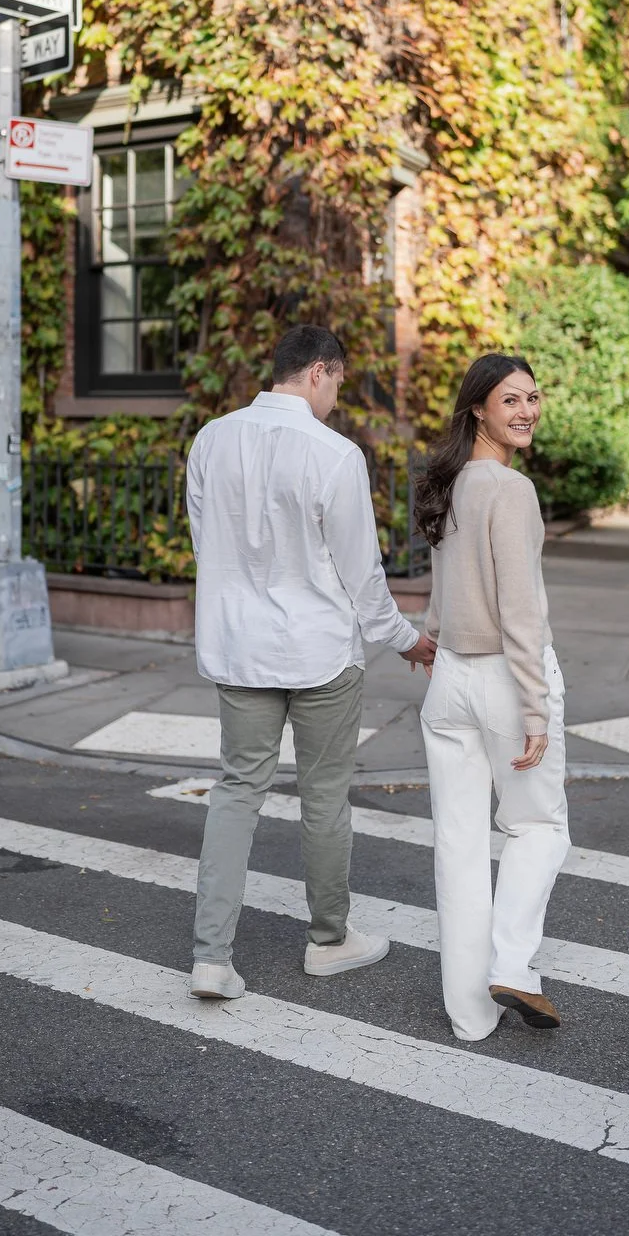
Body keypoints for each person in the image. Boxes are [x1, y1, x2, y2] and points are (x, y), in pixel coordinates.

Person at [185, 324, 438, 1000]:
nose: (337, 400)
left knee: (238, 790)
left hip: (239, 647)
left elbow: (205, 543)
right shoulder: (335, 454)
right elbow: (362, 574)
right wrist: (405, 638)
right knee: (324, 796)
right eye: (339, 384)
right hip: (320, 650)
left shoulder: (211, 440)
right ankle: (329, 941)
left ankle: (211, 957)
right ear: (320, 371)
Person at [415, 353, 570, 1041]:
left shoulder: (446, 482)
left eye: (533, 397)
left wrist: (428, 635)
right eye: (510, 400)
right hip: (506, 681)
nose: (526, 410)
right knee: (537, 828)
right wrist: (535, 708)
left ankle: (469, 1016)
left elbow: (441, 580)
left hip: (449, 677)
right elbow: (521, 615)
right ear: (478, 407)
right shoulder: (510, 492)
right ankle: (512, 966)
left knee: (458, 842)